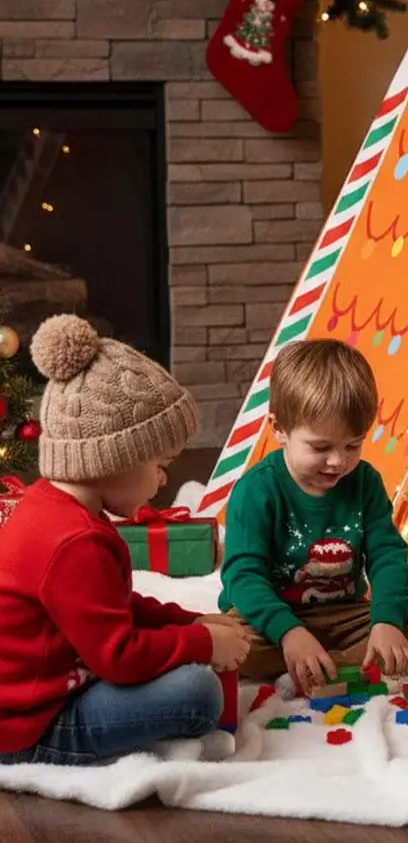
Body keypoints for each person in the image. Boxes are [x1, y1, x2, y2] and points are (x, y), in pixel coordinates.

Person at [0, 315, 250, 765]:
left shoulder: (52, 507)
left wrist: (188, 622)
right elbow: (120, 656)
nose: (161, 479)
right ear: (115, 457)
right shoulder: (75, 542)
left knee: (182, 665)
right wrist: (202, 646)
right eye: (160, 463)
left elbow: (113, 607)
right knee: (197, 693)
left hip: (47, 686)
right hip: (31, 723)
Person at [219, 339, 408, 692]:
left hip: (345, 613)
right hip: (273, 617)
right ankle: (317, 658)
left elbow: (387, 555)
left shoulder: (365, 481)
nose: (338, 461)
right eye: (321, 447)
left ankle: (326, 666)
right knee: (234, 645)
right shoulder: (256, 490)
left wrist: (386, 621)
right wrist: (289, 632)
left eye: (353, 445)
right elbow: (243, 576)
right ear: (279, 429)